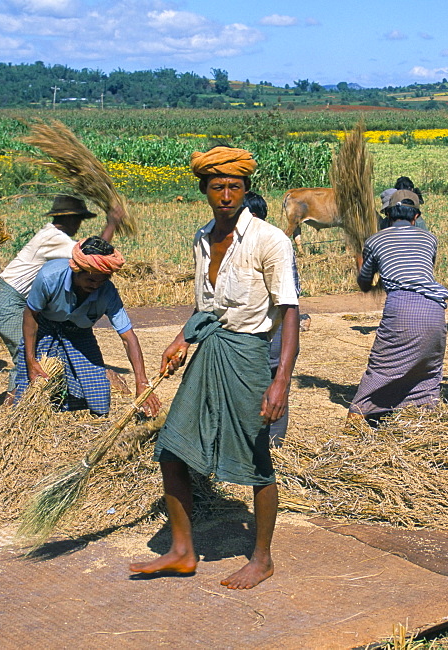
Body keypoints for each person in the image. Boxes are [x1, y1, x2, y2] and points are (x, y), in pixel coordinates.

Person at [130, 146, 298, 590]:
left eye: (235, 187)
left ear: (246, 190)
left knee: (256, 458)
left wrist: (280, 380)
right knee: (173, 447)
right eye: (218, 186)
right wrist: (182, 337)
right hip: (208, 352)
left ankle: (261, 559)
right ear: (204, 189)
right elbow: (206, 307)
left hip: (248, 356)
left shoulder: (269, 240)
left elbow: (290, 311)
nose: (226, 195)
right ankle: (183, 551)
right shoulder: (203, 238)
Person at [0, 195, 121, 402]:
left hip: (14, 299)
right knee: (25, 353)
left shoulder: (52, 235)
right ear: (68, 219)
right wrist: (112, 224)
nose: (78, 225)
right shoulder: (53, 237)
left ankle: (26, 400)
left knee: (34, 350)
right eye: (78, 220)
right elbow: (91, 258)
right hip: (8, 300)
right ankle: (16, 405)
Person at [12, 236, 160, 418]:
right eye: (91, 281)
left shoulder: (107, 292)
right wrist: (31, 360)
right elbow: (31, 314)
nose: (96, 286)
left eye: (102, 281)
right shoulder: (49, 277)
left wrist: (141, 381)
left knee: (97, 391)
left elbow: (128, 338)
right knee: (34, 386)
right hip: (44, 328)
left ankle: (84, 424)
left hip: (79, 334)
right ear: (76, 270)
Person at [347, 198, 448, 423]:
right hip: (435, 309)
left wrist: (360, 261)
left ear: (388, 216)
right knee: (427, 370)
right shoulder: (430, 238)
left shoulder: (375, 240)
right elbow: (421, 272)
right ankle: (424, 419)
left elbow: (365, 282)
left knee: (382, 366)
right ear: (415, 218)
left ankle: (356, 420)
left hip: (403, 307)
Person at [244, 191, 302, 446]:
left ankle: (273, 445)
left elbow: (289, 302)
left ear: (253, 217)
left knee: (274, 384)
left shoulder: (273, 244)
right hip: (260, 328)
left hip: (274, 327)